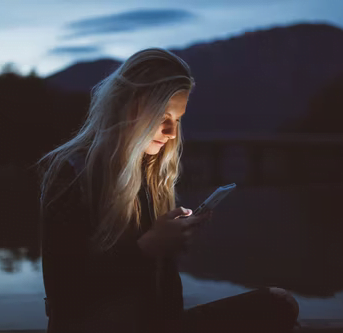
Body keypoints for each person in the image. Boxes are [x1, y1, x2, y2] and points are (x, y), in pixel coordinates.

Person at [36, 48, 299, 333]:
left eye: (178, 119)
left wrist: (168, 244)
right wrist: (149, 247)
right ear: (128, 106)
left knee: (279, 303)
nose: (172, 132)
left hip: (153, 324)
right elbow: (66, 299)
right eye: (163, 116)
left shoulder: (149, 172)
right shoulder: (72, 172)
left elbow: (166, 302)